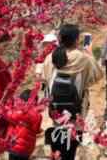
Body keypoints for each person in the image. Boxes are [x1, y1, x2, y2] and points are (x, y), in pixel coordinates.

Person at [42, 24, 103, 160]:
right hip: (76, 112)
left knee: (56, 151)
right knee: (71, 150)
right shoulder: (83, 58)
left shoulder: (52, 57)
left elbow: (44, 78)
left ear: (60, 39)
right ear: (77, 40)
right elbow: (97, 75)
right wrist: (89, 53)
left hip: (55, 113)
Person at [5, 90, 43, 160]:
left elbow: (7, 115)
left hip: (14, 146)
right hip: (27, 149)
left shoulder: (17, 112)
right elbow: (36, 130)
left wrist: (9, 104)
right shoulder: (38, 116)